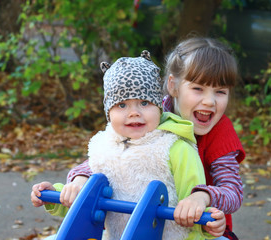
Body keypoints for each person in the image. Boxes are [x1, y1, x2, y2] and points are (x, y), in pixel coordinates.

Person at [61, 37, 245, 240]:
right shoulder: (149, 111)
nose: (209, 101)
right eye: (198, 89)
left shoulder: (220, 131)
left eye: (220, 92)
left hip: (202, 225)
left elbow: (232, 190)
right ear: (173, 86)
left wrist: (203, 197)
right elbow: (111, 154)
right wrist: (80, 178)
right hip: (140, 219)